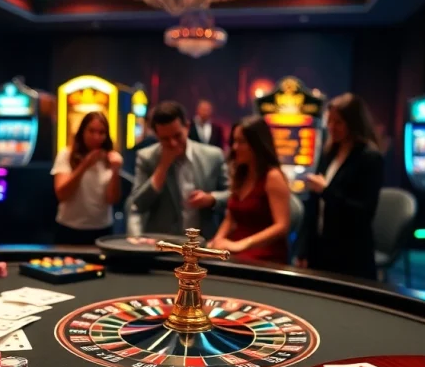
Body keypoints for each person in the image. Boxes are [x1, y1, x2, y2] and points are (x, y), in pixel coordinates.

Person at [296, 93, 384, 280]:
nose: (331, 128)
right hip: (320, 249)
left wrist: (326, 192)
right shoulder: (329, 151)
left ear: (353, 123)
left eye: (338, 123)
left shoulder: (369, 157)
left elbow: (363, 212)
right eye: (329, 122)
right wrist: (303, 250)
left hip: (350, 254)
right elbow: (313, 206)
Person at [127, 101, 229, 237]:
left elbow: (233, 195)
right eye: (165, 139)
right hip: (162, 245)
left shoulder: (213, 156)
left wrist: (211, 199)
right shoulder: (147, 157)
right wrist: (162, 167)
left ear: (187, 127)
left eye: (177, 136)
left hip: (201, 244)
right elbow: (136, 205)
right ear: (156, 136)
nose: (173, 143)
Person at [207, 116, 290, 263]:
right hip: (236, 250)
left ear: (257, 144)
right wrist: (216, 242)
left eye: (241, 142)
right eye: (234, 141)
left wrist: (242, 245)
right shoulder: (241, 175)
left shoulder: (273, 176)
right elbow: (230, 218)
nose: (235, 147)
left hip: (264, 255)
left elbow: (281, 226)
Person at [51, 111, 123, 245]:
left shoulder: (111, 158)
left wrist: (115, 170)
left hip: (102, 230)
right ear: (82, 132)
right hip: (70, 229)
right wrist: (85, 165)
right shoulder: (66, 155)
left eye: (101, 132)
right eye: (91, 131)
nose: (96, 136)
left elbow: (112, 199)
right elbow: (62, 194)